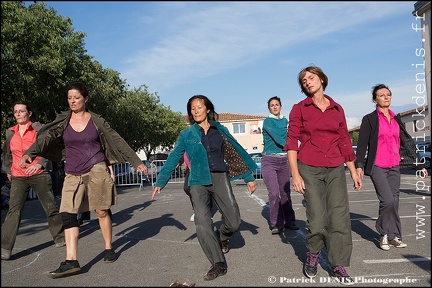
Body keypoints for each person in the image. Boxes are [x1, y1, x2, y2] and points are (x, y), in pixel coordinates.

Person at [18, 82, 148, 279]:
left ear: (85, 99)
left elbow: (117, 139)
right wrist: (31, 152)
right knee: (67, 213)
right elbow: (46, 138)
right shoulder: (63, 121)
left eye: (76, 98)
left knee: (101, 210)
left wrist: (136, 161)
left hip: (96, 167)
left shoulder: (96, 121)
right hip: (72, 170)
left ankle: (108, 247)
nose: (72, 101)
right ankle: (71, 260)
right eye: (69, 98)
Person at [151, 95, 257, 281]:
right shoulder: (187, 134)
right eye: (192, 108)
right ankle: (218, 263)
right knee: (202, 221)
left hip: (219, 177)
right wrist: (161, 181)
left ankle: (222, 236)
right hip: (197, 180)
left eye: (199, 107)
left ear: (207, 109)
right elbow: (174, 157)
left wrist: (248, 177)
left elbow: (234, 153)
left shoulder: (220, 130)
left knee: (234, 221)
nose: (196, 111)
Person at [284, 66, 362, 285]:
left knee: (339, 218)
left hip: (336, 167)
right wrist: (295, 174)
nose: (307, 82)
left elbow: (344, 141)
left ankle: (337, 264)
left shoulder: (337, 108)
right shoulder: (300, 108)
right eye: (303, 80)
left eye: (311, 77)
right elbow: (292, 143)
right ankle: (313, 253)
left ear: (321, 79)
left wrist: (353, 169)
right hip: (309, 167)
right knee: (318, 220)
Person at [355, 84, 428, 251]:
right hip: (377, 166)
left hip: (395, 165)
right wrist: (359, 166)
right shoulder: (370, 119)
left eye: (388, 94)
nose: (386, 97)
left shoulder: (396, 118)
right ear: (375, 100)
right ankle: (383, 233)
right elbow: (362, 144)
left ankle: (393, 236)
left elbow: (407, 142)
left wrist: (420, 163)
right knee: (387, 200)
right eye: (381, 95)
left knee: (394, 201)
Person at [1, 101, 65, 261]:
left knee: (50, 206)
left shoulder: (39, 129)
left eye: (21, 111)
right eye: (15, 111)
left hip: (39, 174)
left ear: (29, 113)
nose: (18, 114)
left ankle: (60, 237)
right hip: (18, 176)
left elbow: (48, 147)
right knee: (13, 211)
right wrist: (9, 171)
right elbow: (7, 154)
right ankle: (5, 247)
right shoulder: (10, 133)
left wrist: (39, 163)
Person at [261, 96, 298, 235]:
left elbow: (291, 135)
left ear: (281, 106)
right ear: (269, 108)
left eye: (277, 105)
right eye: (272, 105)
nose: (275, 107)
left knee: (285, 193)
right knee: (274, 193)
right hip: (269, 160)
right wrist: (294, 148)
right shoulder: (268, 122)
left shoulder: (285, 121)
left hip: (284, 161)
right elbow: (279, 138)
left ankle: (290, 221)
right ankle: (276, 223)